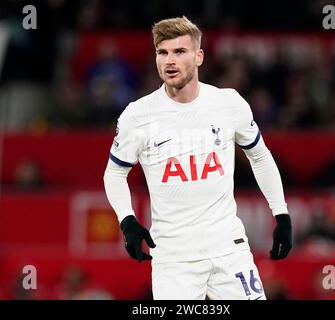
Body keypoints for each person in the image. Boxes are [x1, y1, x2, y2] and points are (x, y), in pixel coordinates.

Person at [103, 16, 292, 300]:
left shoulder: (228, 103)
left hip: (229, 248)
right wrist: (127, 220)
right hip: (173, 258)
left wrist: (282, 214)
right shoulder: (138, 115)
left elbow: (260, 156)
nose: (169, 60)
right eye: (162, 52)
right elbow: (114, 174)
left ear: (199, 56)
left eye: (179, 52)